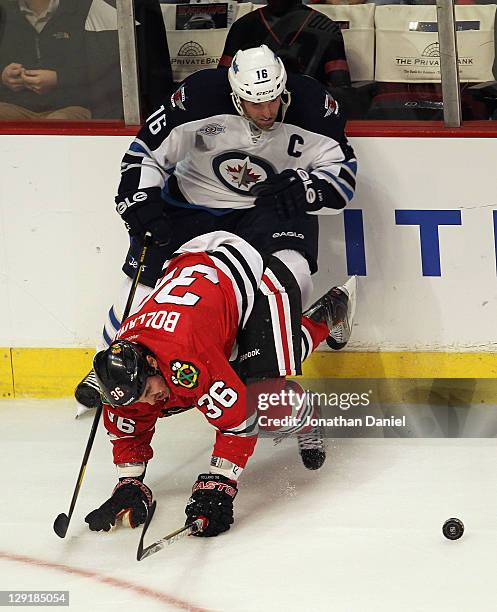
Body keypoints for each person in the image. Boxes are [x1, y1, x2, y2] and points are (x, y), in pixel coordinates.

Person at [75, 45, 357, 455]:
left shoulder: (315, 106)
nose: (266, 111)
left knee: (289, 285)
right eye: (253, 101)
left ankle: (325, 317)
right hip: (192, 207)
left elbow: (344, 178)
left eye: (274, 98)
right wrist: (140, 202)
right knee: (145, 277)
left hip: (271, 211)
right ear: (233, 90)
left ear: (284, 87)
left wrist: (305, 188)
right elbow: (145, 153)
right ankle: (113, 362)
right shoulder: (200, 95)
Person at [85, 231, 356, 536]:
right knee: (222, 375)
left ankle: (329, 313)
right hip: (192, 276)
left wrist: (219, 484)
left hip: (256, 280)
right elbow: (128, 419)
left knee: (264, 399)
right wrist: (129, 482)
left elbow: (239, 420)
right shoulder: (128, 371)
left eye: (149, 391)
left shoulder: (186, 362)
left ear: (151, 363)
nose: (150, 403)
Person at [218, 0, 356, 116]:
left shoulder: (327, 28)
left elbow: (341, 90)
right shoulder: (243, 27)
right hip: (254, 115)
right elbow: (223, 81)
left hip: (309, 114)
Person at [0, 0, 91, 120]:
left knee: (58, 122)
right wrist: (4, 76)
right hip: (14, 105)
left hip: (69, 106)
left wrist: (58, 79)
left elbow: (100, 67)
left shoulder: (83, 8)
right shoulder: (4, 9)